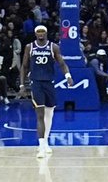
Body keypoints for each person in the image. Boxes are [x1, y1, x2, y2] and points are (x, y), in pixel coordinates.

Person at [18, 25, 73, 158]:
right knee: (40, 115)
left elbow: (62, 64)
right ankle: (41, 146)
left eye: (43, 32)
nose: (41, 34)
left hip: (49, 83)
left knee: (50, 115)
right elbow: (24, 66)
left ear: (47, 33)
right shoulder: (29, 47)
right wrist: (21, 85)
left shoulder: (53, 47)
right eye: (38, 32)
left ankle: (46, 142)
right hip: (36, 83)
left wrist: (68, 76)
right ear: (35, 34)